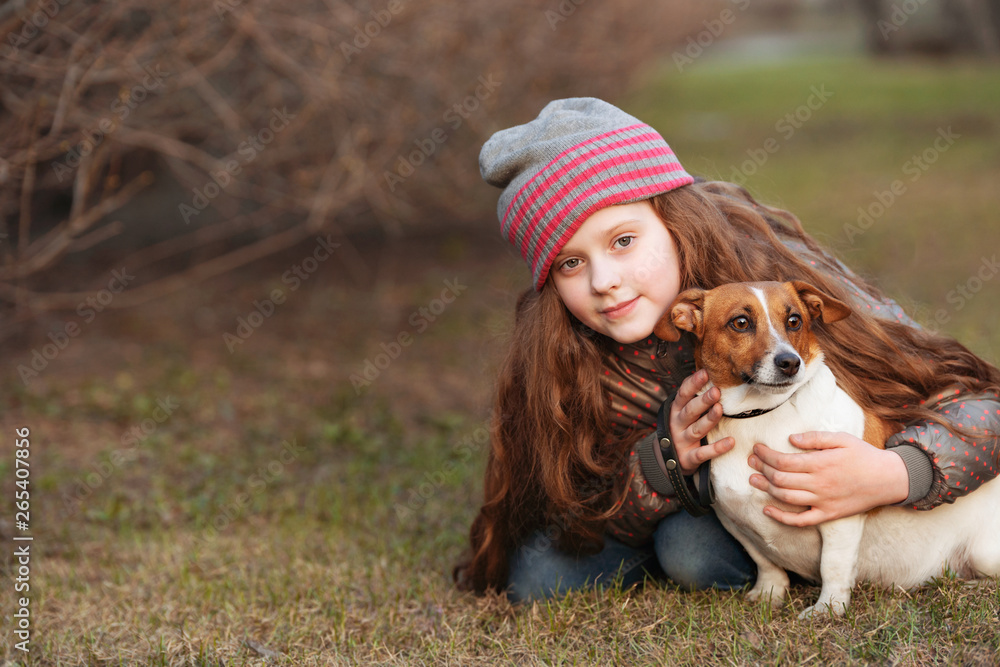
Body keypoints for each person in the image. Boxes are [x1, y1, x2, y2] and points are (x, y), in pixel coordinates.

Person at [453, 98, 1000, 602]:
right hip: (695, 503)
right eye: (570, 263)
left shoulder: (778, 286)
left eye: (623, 241)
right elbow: (573, 508)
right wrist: (665, 462)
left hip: (771, 498)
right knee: (538, 576)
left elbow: (983, 405)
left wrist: (897, 473)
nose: (605, 281)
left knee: (690, 551)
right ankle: (702, 535)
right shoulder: (563, 353)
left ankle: (713, 545)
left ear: (673, 222)